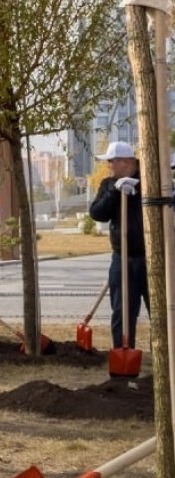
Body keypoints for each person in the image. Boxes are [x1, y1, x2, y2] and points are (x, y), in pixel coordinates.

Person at [88, 141, 149, 349]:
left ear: (125, 162)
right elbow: (97, 213)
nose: (108, 166)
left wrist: (138, 189)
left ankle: (165, 358)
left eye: (111, 162)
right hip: (122, 258)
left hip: (151, 258)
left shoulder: (150, 180)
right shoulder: (108, 184)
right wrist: (114, 192)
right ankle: (123, 355)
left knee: (161, 310)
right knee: (122, 312)